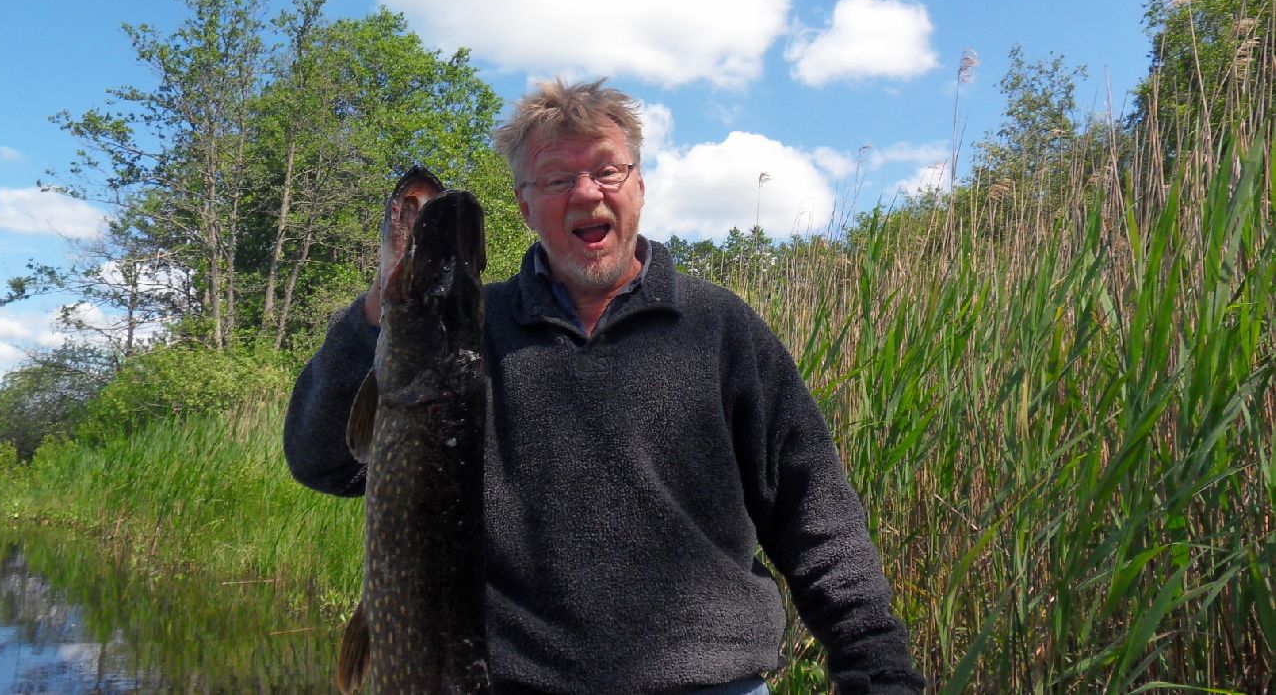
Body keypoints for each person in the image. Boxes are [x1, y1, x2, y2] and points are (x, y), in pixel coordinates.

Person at [285, 79, 925, 694]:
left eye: (606, 171)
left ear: (639, 186)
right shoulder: (470, 334)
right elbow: (324, 461)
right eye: (558, 179)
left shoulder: (718, 328)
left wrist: (878, 668)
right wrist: (379, 307)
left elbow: (814, 515)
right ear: (525, 206)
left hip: (713, 686)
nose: (587, 194)